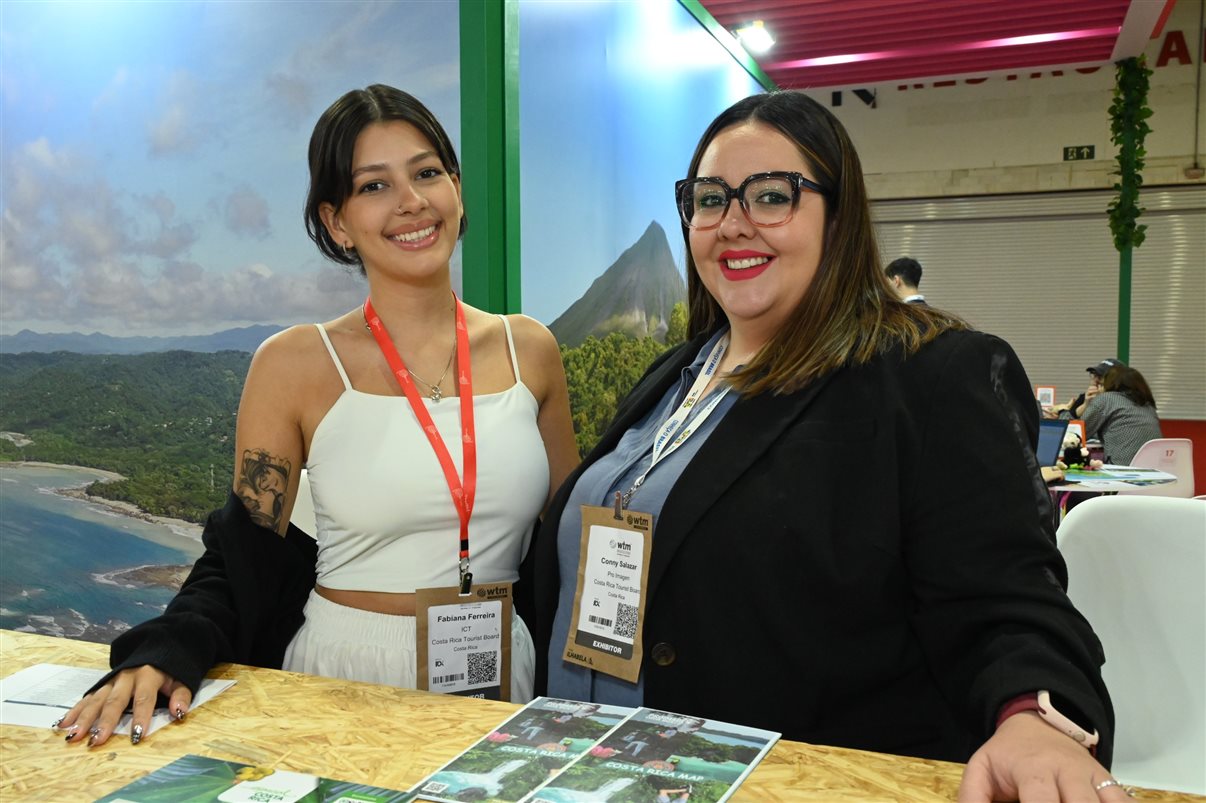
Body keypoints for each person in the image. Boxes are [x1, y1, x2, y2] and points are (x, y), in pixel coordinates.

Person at [527, 91, 1125, 801]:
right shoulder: (675, 373)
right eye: (710, 198)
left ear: (837, 217)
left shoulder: (928, 374)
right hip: (579, 769)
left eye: (772, 196)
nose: (733, 224)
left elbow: (1009, 599)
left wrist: (1034, 719)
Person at [59, 85, 578, 748]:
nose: (410, 201)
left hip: (500, 675)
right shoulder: (296, 363)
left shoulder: (529, 350)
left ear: (457, 188)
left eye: (426, 173)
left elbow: (571, 540)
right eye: (373, 186)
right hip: (343, 679)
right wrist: (166, 646)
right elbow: (242, 551)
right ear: (336, 222)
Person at [1084, 364, 1162, 465]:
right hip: (1155, 470)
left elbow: (1080, 432)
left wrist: (1065, 412)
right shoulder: (1149, 406)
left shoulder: (1107, 399)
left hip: (1122, 471)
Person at [1051, 358, 1125, 420]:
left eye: (1100, 377)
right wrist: (1085, 405)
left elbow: (1084, 428)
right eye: (1094, 375)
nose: (1095, 381)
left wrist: (1062, 410)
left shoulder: (1120, 403)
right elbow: (1068, 421)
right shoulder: (1086, 396)